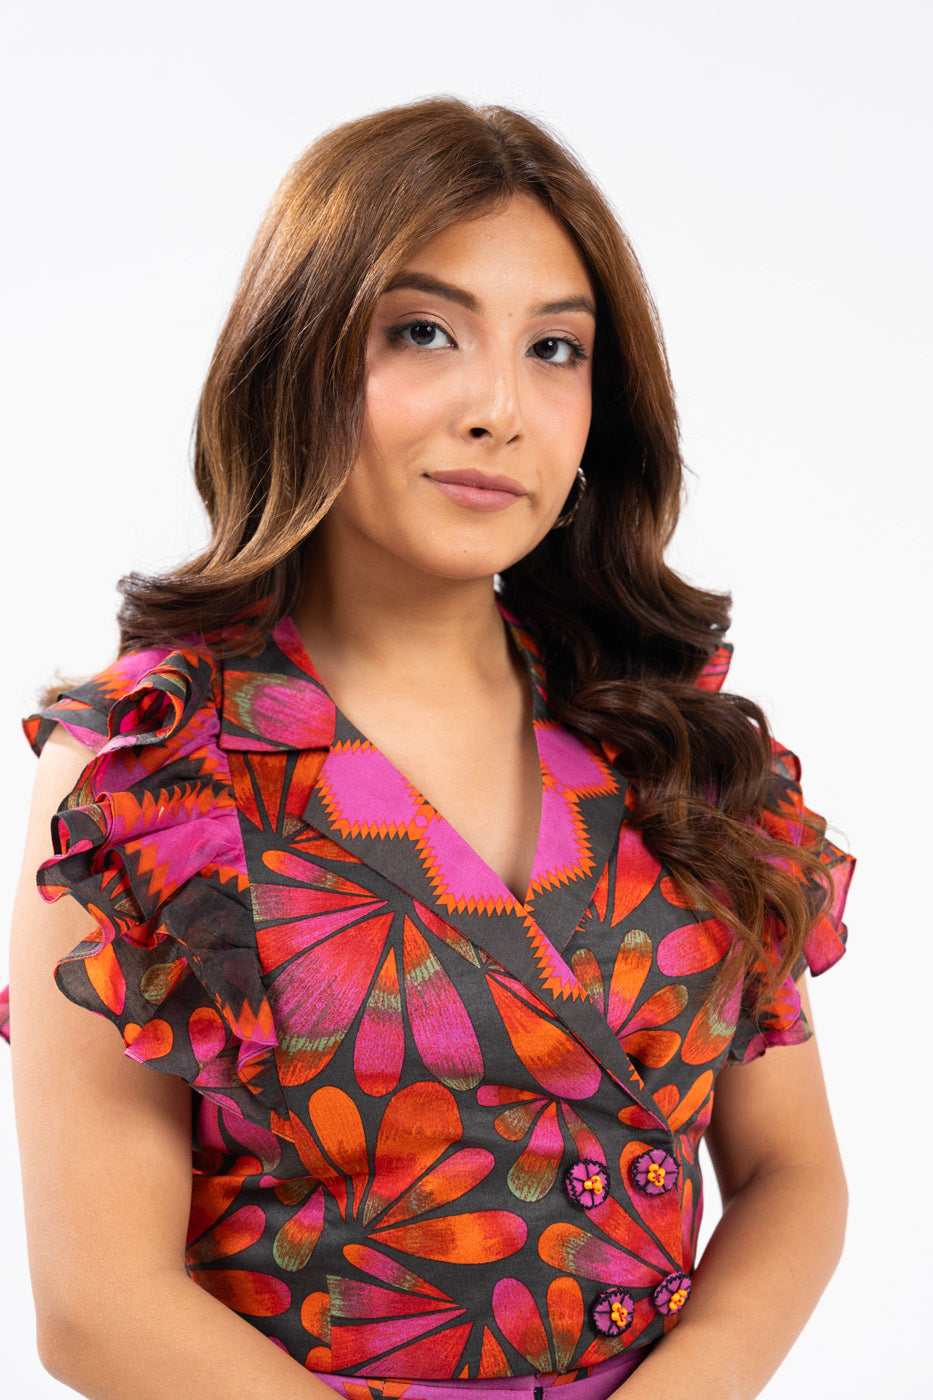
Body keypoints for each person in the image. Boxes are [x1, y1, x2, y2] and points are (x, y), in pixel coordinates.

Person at [4, 96, 854, 1400]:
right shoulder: (153, 770)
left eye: (555, 349)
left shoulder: (671, 737)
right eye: (421, 331)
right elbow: (98, 1307)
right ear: (294, 359)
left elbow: (792, 1174)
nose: (498, 407)